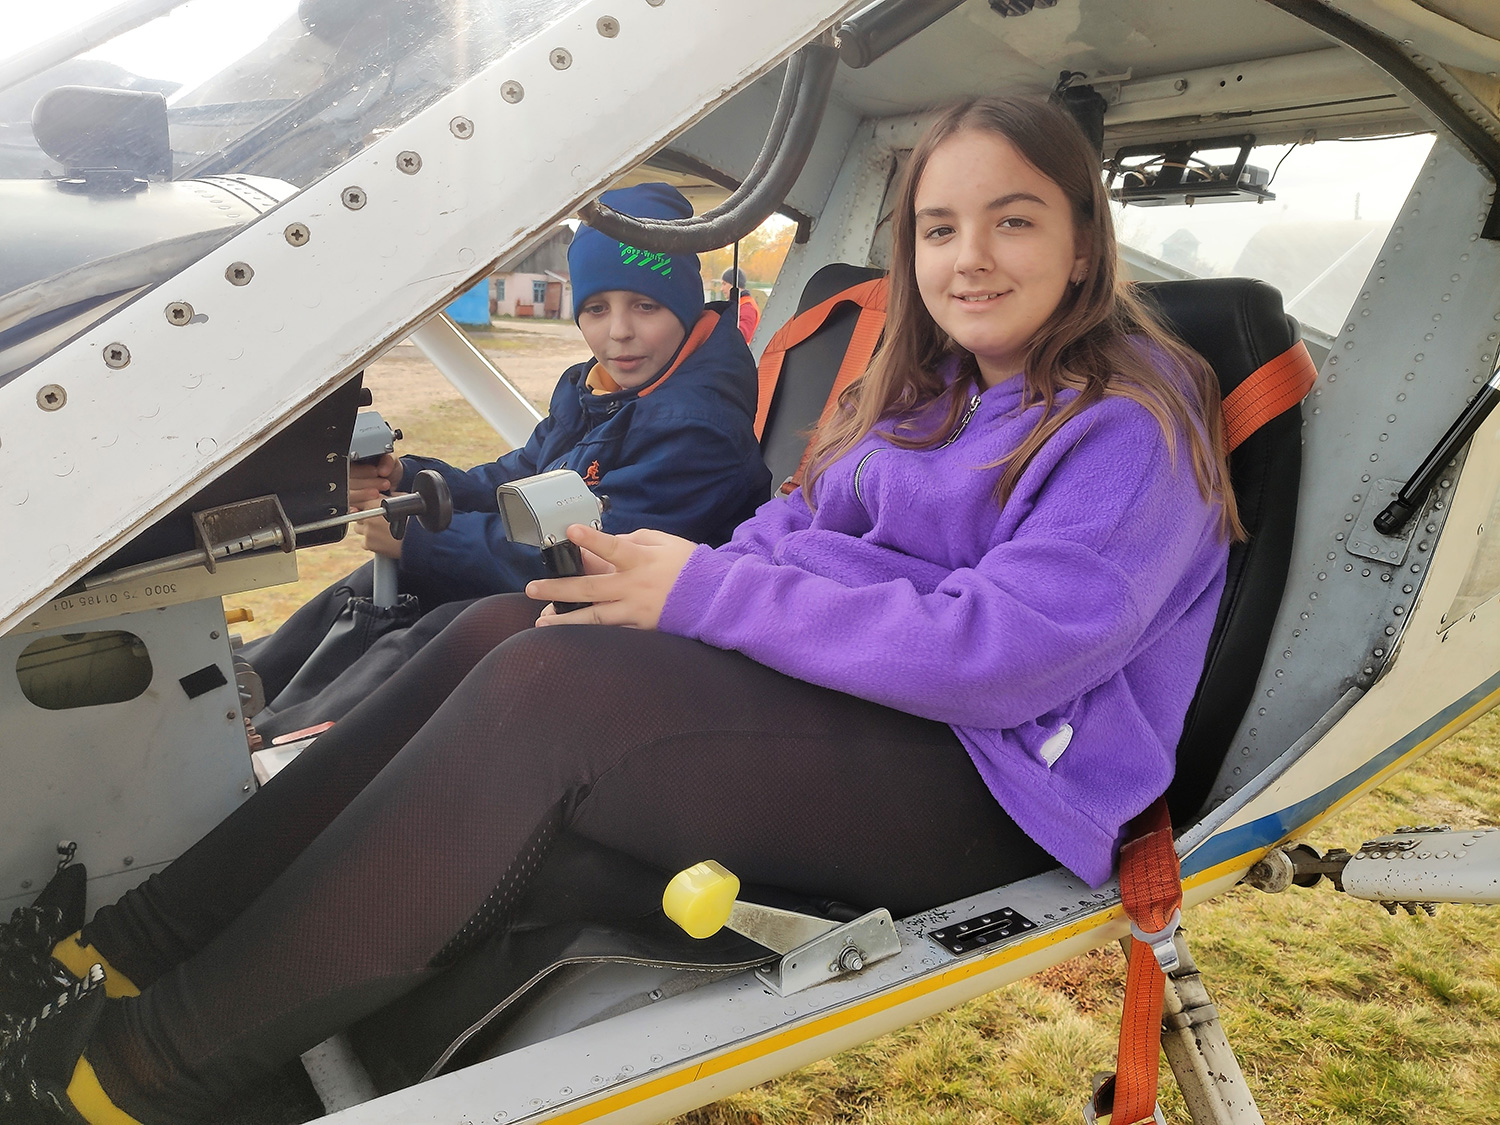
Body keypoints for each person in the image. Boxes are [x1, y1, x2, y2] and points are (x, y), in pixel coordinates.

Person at [0, 95, 1242, 1124]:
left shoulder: (1130, 422)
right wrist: (672, 586)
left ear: (1086, 244)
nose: (969, 257)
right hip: (881, 709)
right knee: (512, 627)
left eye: (1013, 221)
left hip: (1002, 781)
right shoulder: (935, 391)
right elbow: (793, 531)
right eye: (939, 228)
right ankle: (127, 947)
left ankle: (136, 1076)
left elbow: (1004, 657)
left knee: (554, 694)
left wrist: (705, 591)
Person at [239, 182, 771, 739]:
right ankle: (246, 696)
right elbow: (520, 477)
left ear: (683, 304)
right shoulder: (597, 390)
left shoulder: (696, 429)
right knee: (368, 588)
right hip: (577, 602)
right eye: (596, 308)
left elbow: (591, 554)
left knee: (462, 624)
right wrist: (411, 483)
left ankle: (288, 747)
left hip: (646, 641)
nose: (618, 332)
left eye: (645, 305)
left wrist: (419, 541)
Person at [722, 266, 761, 342]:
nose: (722, 288)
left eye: (724, 284)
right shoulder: (742, 304)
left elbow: (740, 335)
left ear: (734, 285)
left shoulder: (747, 307)